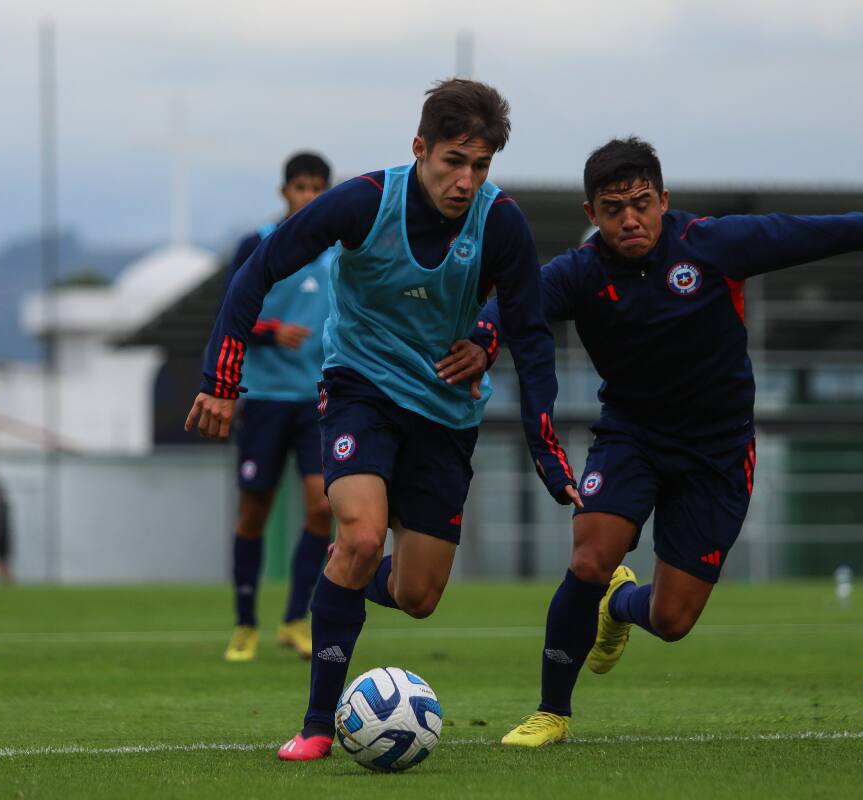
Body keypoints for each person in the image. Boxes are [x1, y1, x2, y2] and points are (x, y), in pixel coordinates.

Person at [465, 137, 863, 746]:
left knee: (671, 619)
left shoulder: (714, 244)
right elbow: (512, 307)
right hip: (632, 436)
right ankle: (552, 713)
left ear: (663, 199)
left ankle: (618, 607)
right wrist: (482, 340)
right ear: (591, 214)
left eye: (641, 203)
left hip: (717, 452)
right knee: (590, 557)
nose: (630, 219)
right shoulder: (579, 274)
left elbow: (840, 229)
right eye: (613, 208)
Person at [184, 79, 579, 761]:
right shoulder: (365, 202)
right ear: (419, 148)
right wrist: (223, 378)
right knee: (362, 535)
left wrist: (546, 451)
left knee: (418, 594)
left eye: (480, 166)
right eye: (453, 160)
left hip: (445, 413)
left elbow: (532, 333)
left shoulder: (501, 222)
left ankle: (338, 577)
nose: (466, 180)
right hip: (358, 389)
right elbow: (258, 269)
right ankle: (315, 724)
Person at [222, 152, 336, 663]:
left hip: (317, 400)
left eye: (318, 189)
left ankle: (295, 618)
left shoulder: (340, 249)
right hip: (264, 399)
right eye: (300, 188)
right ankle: (245, 623)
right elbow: (232, 311)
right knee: (254, 513)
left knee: (322, 506)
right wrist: (271, 332)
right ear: (284, 192)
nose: (308, 198)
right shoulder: (258, 243)